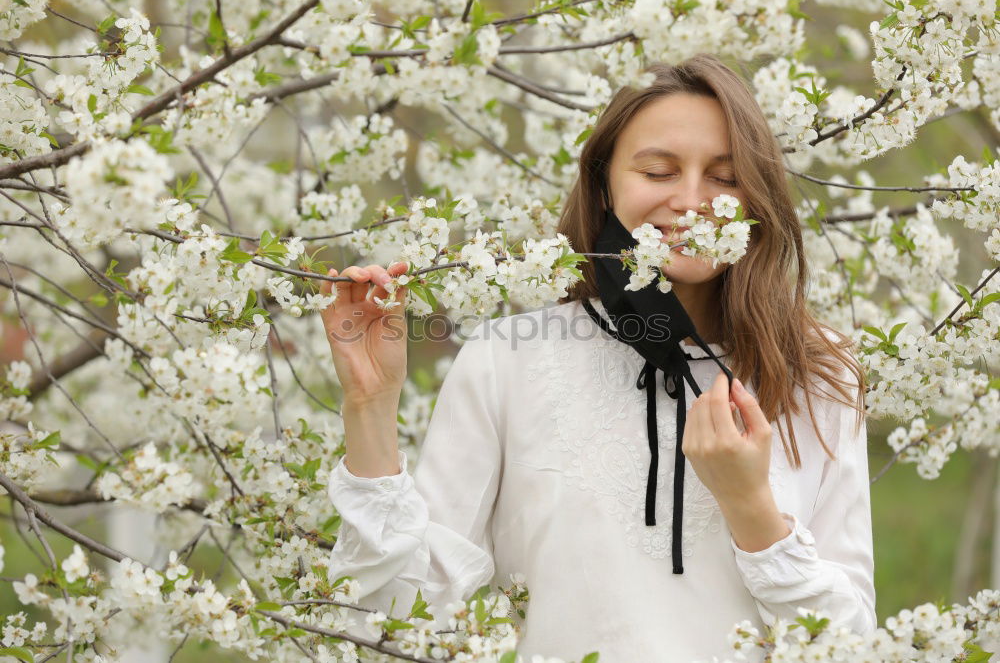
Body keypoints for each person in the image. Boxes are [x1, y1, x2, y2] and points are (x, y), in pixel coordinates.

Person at [318, 53, 875, 662]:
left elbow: (851, 645)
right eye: (658, 171)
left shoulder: (821, 375)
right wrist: (369, 407)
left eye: (724, 176)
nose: (691, 200)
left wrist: (751, 508)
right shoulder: (508, 362)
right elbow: (393, 621)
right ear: (606, 183)